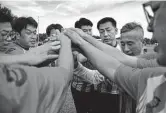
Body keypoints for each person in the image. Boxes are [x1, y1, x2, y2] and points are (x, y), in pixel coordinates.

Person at [64, 1, 166, 112]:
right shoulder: (153, 64)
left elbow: (117, 64)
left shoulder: (152, 69)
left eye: (130, 43)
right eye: (122, 44)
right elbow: (122, 59)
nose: (126, 49)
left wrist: (82, 42)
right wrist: (82, 42)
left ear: (142, 42)